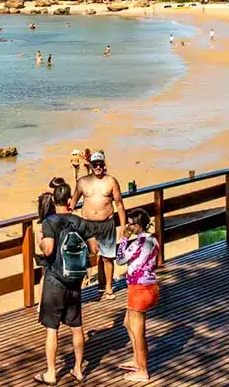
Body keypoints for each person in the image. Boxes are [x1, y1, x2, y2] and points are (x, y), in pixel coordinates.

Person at [35, 180, 88, 384]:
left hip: (55, 281)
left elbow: (47, 249)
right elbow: (93, 247)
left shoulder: (49, 222)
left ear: (53, 200)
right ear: (69, 199)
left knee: (52, 329)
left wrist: (40, 240)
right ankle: (78, 369)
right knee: (76, 327)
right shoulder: (79, 221)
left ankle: (51, 373)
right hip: (74, 281)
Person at [70, 151, 127, 300]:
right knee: (84, 257)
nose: (98, 167)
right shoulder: (83, 182)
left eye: (100, 164)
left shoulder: (111, 181)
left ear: (104, 165)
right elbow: (73, 202)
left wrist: (123, 226)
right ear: (91, 165)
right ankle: (81, 288)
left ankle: (108, 287)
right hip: (87, 225)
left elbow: (119, 204)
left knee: (108, 257)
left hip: (107, 223)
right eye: (95, 164)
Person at [117, 209, 159, 383]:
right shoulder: (153, 239)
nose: (128, 226)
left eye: (130, 224)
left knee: (138, 331)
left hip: (139, 289)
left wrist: (124, 239)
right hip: (150, 285)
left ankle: (142, 369)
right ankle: (137, 359)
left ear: (138, 225)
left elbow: (120, 259)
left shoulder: (138, 243)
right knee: (128, 322)